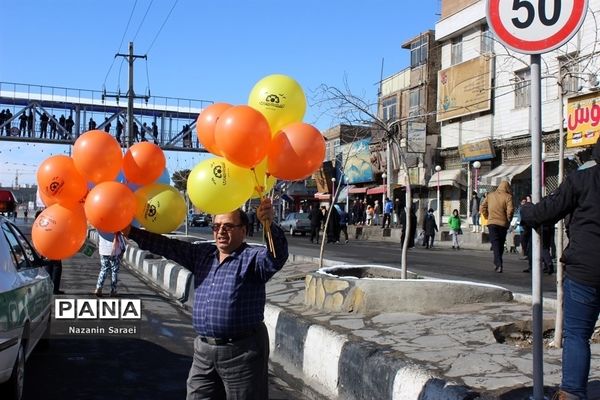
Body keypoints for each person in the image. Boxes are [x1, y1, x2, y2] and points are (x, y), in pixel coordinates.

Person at [123, 198, 287, 399]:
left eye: (228, 226)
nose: (221, 232)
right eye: (216, 226)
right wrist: (131, 232)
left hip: (242, 352)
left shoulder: (252, 259)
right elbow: (167, 246)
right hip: (204, 351)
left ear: (243, 231)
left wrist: (269, 226)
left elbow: (276, 257)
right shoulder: (203, 254)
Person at [520, 140, 600, 400]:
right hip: (586, 269)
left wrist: (526, 209)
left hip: (586, 271)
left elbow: (543, 214)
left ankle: (573, 394)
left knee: (577, 335)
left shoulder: (582, 180)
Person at [480, 181, 514, 273]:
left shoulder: (490, 195)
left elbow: (482, 207)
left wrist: (487, 216)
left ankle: (498, 264)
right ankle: (498, 263)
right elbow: (510, 210)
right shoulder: (508, 197)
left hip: (492, 223)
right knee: (501, 243)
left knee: (495, 243)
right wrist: (508, 219)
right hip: (503, 224)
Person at [95, 231, 126, 297]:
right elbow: (121, 239)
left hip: (103, 250)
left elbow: (97, 240)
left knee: (104, 269)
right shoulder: (116, 228)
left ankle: (99, 288)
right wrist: (123, 249)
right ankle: (113, 290)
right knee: (114, 271)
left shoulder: (100, 227)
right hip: (114, 251)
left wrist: (100, 248)